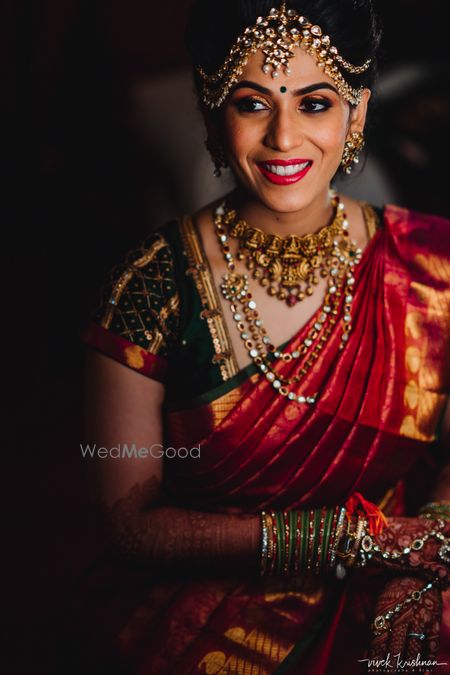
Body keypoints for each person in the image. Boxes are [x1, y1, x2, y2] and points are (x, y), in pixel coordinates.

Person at [79, 1, 450, 673]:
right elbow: (129, 523)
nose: (284, 138)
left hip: (403, 577)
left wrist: (419, 563)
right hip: (207, 621)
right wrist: (342, 541)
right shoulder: (150, 288)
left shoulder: (432, 264)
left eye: (314, 104)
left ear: (357, 113)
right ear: (210, 112)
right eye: (253, 103)